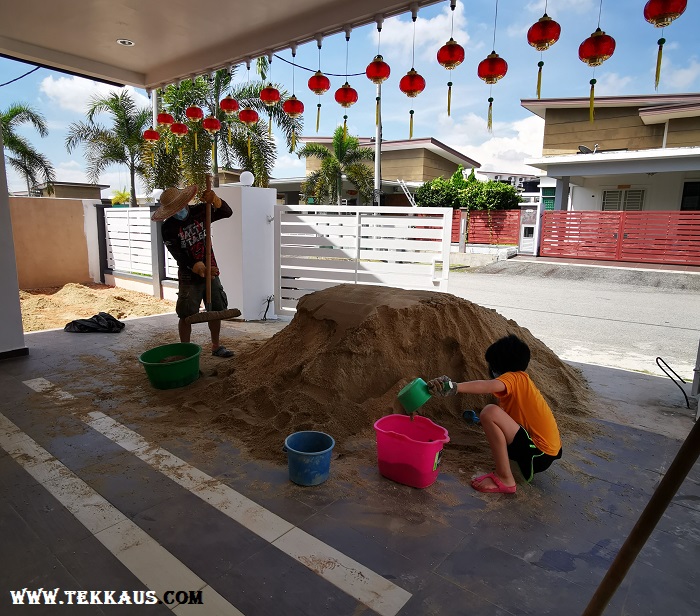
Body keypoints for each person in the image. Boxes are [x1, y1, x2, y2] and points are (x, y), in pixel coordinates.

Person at [427, 334, 562, 494]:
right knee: (491, 414)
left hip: (538, 454)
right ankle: (511, 469)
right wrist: (478, 421)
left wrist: (453, 387)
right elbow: (509, 422)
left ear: (498, 365)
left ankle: (505, 479)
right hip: (545, 452)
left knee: (490, 412)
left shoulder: (515, 378)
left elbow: (486, 386)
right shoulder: (520, 387)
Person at [151, 184, 235, 358]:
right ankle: (186, 352)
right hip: (188, 276)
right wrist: (196, 266)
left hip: (211, 270)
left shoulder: (201, 211)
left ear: (185, 202)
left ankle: (216, 346)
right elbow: (178, 255)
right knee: (185, 314)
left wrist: (216, 200)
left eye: (180, 207)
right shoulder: (168, 228)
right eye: (174, 210)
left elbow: (227, 212)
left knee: (216, 311)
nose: (179, 211)